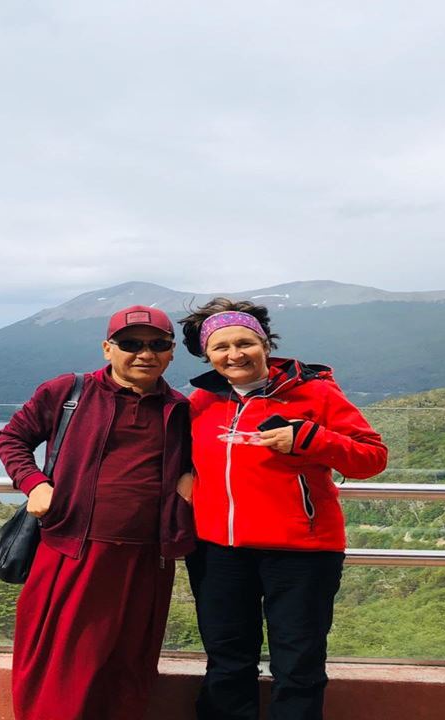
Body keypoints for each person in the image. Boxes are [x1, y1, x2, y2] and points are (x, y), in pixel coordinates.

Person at [178, 297, 387, 720]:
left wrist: (310, 439)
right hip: (219, 551)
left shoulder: (315, 393)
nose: (234, 355)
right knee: (226, 661)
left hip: (302, 552)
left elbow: (371, 458)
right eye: (221, 347)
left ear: (265, 345)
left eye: (245, 343)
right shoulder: (200, 403)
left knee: (298, 667)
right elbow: (180, 456)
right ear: (207, 354)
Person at [0, 304, 196, 720]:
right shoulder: (69, 392)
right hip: (72, 550)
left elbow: (214, 456)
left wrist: (193, 476)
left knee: (127, 668)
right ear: (108, 348)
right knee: (60, 666)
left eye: (157, 344)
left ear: (172, 352)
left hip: (147, 558)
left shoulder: (179, 409)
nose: (145, 354)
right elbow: (13, 439)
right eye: (130, 344)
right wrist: (34, 483)